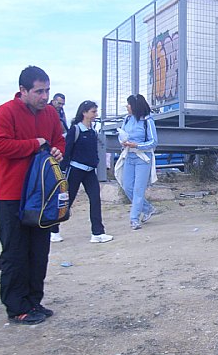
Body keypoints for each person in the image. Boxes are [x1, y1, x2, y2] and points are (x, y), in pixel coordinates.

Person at [0, 65, 65, 324]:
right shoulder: (5, 112)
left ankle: (34, 301)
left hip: (41, 195)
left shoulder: (51, 113)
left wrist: (57, 150)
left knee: (39, 251)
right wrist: (34, 144)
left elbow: (58, 140)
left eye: (47, 91)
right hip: (10, 195)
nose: (45, 97)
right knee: (15, 252)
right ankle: (16, 307)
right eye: (39, 91)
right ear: (23, 91)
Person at [50, 101, 113, 244]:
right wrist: (63, 169)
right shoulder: (75, 130)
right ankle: (53, 230)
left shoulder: (93, 131)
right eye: (93, 111)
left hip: (90, 171)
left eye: (96, 111)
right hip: (76, 170)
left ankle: (97, 233)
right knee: (67, 200)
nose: (95, 114)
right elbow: (67, 150)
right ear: (84, 113)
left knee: (95, 199)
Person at [117, 94, 158, 230]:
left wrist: (138, 145)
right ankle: (148, 208)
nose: (127, 107)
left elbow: (154, 141)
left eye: (129, 104)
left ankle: (134, 219)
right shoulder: (127, 119)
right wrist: (123, 142)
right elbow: (121, 134)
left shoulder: (147, 121)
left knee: (138, 189)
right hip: (129, 156)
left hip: (142, 158)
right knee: (127, 186)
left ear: (135, 106)